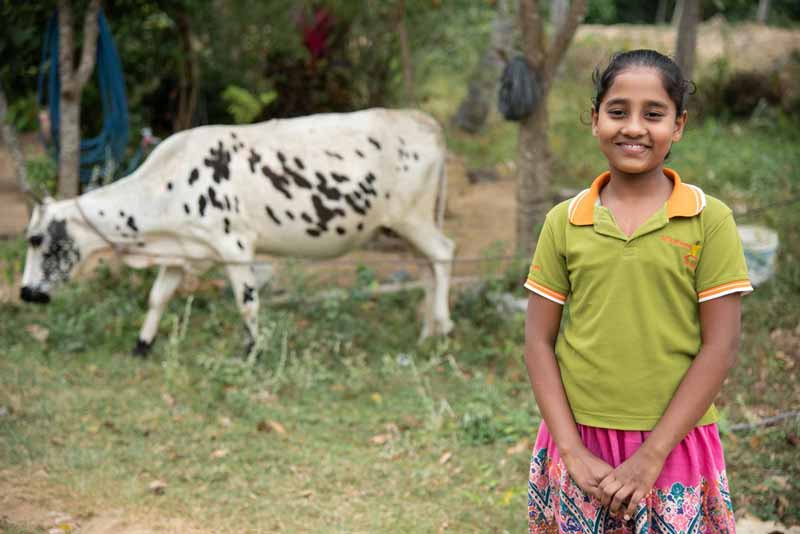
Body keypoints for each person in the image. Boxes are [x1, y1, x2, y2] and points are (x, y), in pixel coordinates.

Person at [524, 49, 752, 533]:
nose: (633, 127)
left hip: (674, 444)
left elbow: (721, 345)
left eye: (653, 114)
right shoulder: (563, 222)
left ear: (679, 125)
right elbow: (538, 341)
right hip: (578, 440)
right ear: (594, 119)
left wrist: (651, 456)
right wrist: (571, 451)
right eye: (617, 111)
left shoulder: (709, 221)